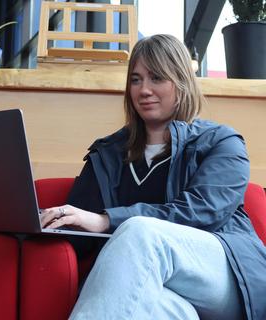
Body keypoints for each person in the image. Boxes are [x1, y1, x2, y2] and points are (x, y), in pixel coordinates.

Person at [40, 34, 266, 320]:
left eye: (156, 78)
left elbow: (202, 212)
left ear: (181, 81)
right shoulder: (108, 154)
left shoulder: (221, 142)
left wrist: (108, 220)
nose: (144, 90)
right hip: (152, 280)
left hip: (225, 275)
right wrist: (35, 224)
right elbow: (78, 233)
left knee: (139, 231)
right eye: (136, 80)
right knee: (162, 308)